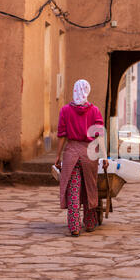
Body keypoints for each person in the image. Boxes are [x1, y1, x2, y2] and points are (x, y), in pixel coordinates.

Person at [55, 79, 109, 237]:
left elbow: (62, 135)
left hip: (71, 153)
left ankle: (74, 227)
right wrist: (104, 157)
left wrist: (58, 156)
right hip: (89, 154)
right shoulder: (95, 111)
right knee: (89, 188)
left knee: (73, 190)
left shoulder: (65, 110)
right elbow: (99, 137)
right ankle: (90, 223)